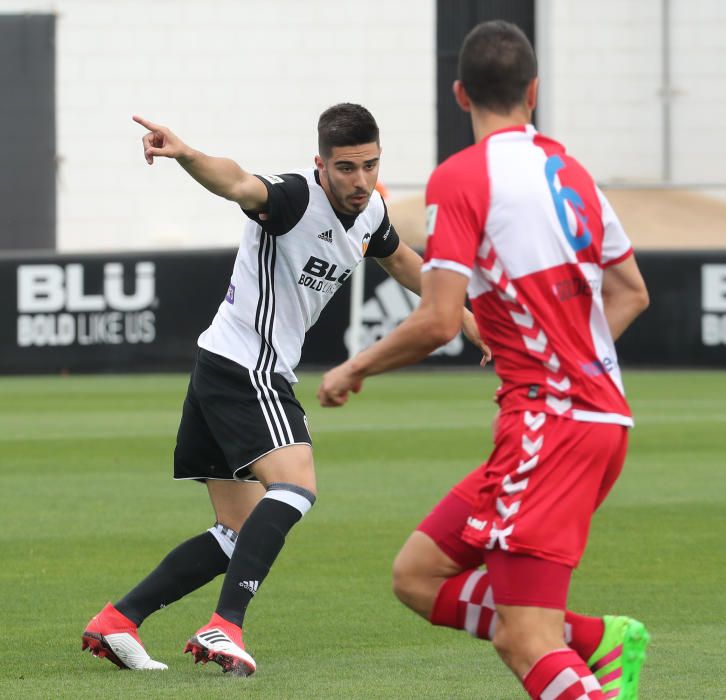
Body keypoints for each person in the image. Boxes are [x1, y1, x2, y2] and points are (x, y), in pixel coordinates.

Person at [81, 103, 488, 675]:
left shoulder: (371, 212)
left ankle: (118, 620)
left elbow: (403, 263)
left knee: (235, 533)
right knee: (296, 488)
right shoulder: (295, 197)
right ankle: (224, 626)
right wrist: (189, 155)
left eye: (370, 165)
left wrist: (468, 319)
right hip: (248, 367)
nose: (360, 180)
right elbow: (238, 181)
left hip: (220, 363)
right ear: (320, 164)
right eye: (346, 167)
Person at [317, 22, 650, 700]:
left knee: (523, 637)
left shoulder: (463, 177)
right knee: (416, 575)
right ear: (534, 91)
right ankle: (598, 640)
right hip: (591, 422)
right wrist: (563, 356)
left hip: (549, 427)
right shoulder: (573, 172)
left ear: (460, 94)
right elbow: (630, 293)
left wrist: (354, 368)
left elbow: (440, 320)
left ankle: (577, 653)